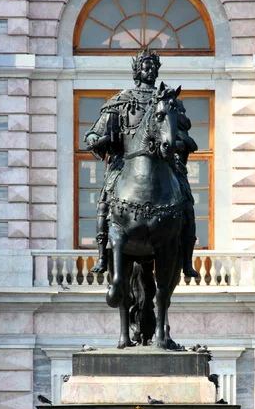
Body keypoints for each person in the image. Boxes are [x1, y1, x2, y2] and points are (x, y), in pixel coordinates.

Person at [85, 48, 199, 277]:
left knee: (187, 201)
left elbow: (184, 135)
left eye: (154, 67)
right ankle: (101, 255)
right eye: (146, 67)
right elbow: (92, 134)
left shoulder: (170, 102)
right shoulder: (121, 101)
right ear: (138, 71)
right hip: (124, 164)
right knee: (105, 199)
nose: (151, 70)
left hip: (165, 164)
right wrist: (98, 139)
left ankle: (187, 261)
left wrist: (178, 144)